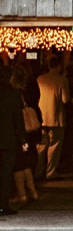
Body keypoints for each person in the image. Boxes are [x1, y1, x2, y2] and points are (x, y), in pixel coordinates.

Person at [36, 54, 70, 180]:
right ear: (59, 66)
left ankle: (38, 171)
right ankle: (50, 172)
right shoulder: (62, 80)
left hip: (42, 116)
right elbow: (65, 99)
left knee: (41, 146)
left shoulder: (40, 79)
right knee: (54, 146)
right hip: (56, 118)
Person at [10, 65, 40, 205]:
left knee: (17, 164)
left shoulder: (15, 94)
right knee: (26, 163)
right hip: (30, 132)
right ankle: (32, 191)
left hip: (19, 131)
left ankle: (22, 194)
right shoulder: (30, 90)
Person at [0, 65, 26, 216]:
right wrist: (23, 138)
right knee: (6, 173)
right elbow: (18, 119)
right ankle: (3, 203)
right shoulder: (13, 94)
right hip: (8, 138)